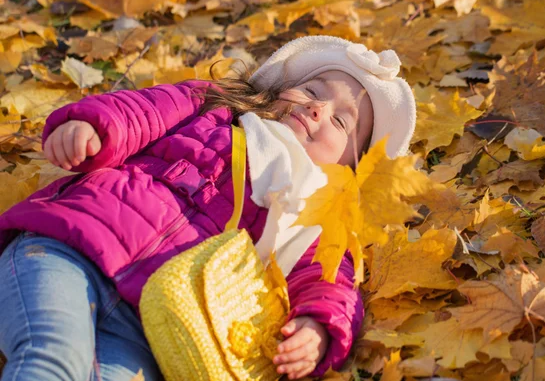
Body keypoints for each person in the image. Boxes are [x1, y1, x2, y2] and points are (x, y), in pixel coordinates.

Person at [0, 36, 416, 381]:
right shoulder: (213, 107)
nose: (317, 109)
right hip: (70, 248)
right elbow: (138, 112)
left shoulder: (314, 212)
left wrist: (318, 329)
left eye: (342, 122)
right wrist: (92, 128)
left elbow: (330, 278)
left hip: (153, 321)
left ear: (352, 165)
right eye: (312, 90)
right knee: (54, 357)